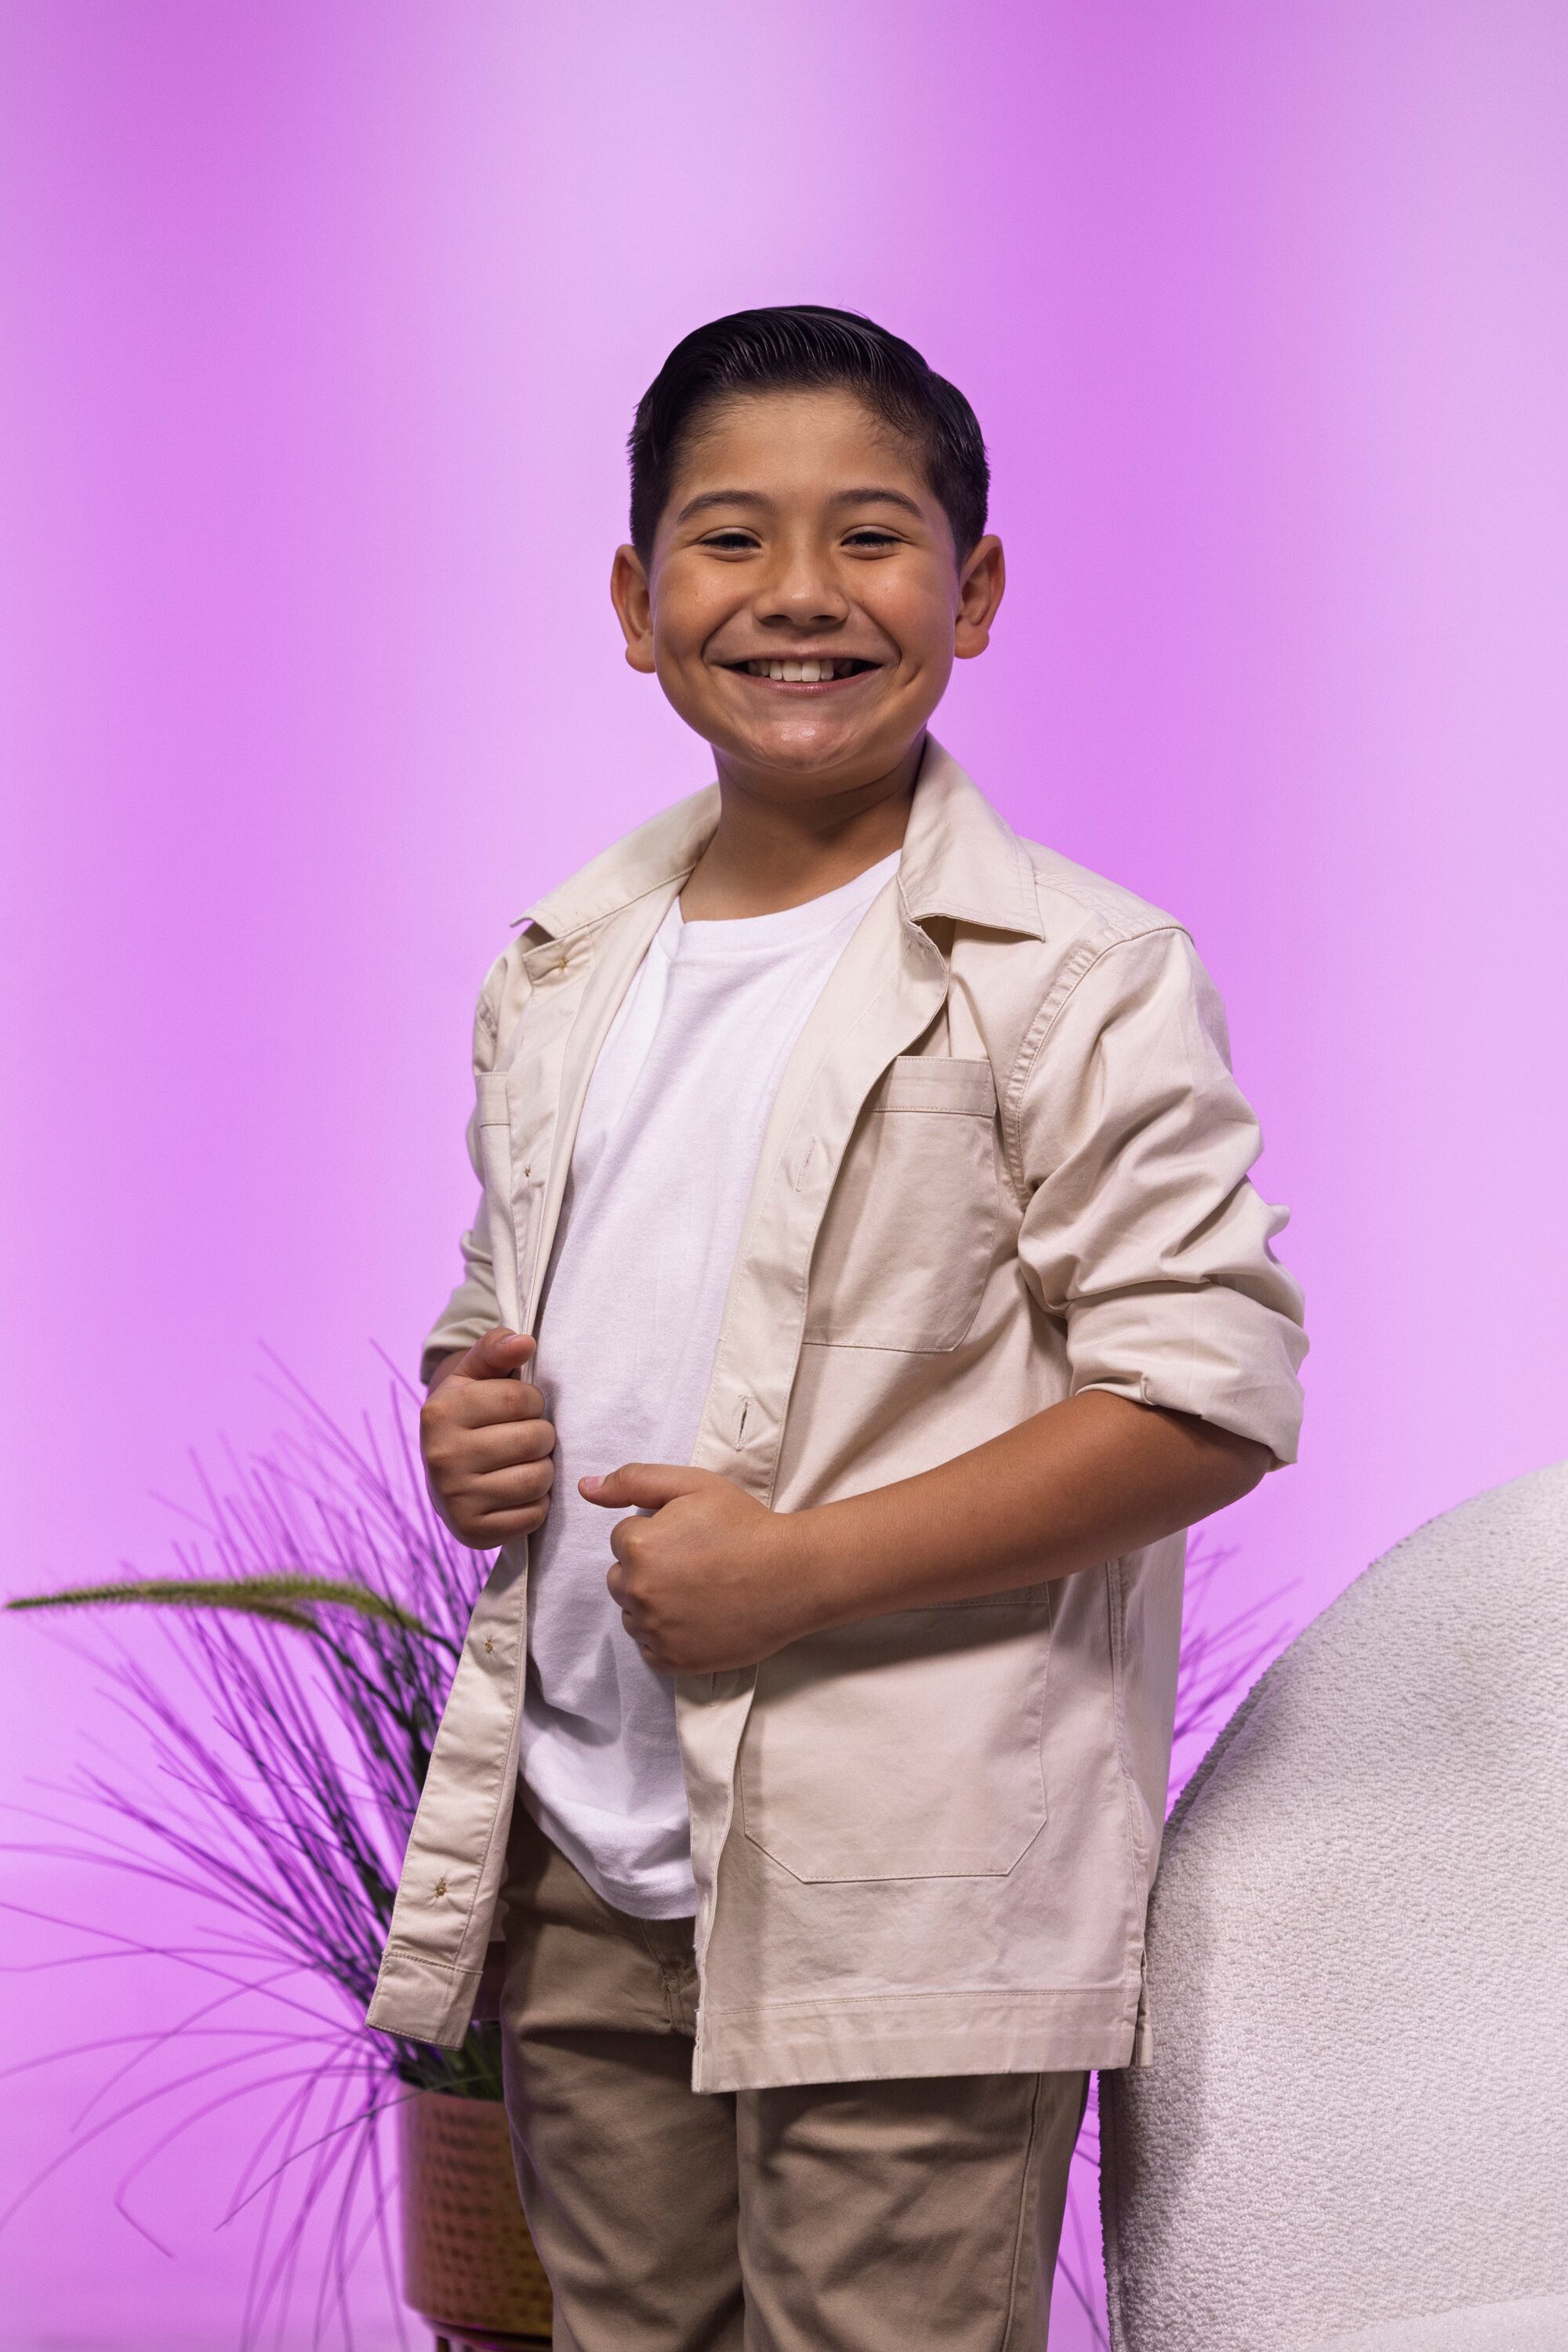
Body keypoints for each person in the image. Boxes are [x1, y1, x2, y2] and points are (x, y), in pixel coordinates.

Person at [368, 306, 1307, 2350]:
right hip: (593, 1853)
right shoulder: (562, 967)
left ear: (972, 593)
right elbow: (505, 1298)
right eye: (731, 538)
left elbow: (1207, 1392)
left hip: (905, 1889)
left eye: (870, 536)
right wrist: (462, 1414)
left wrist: (803, 1572)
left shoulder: (1077, 975)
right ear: (639, 603)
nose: (800, 591)